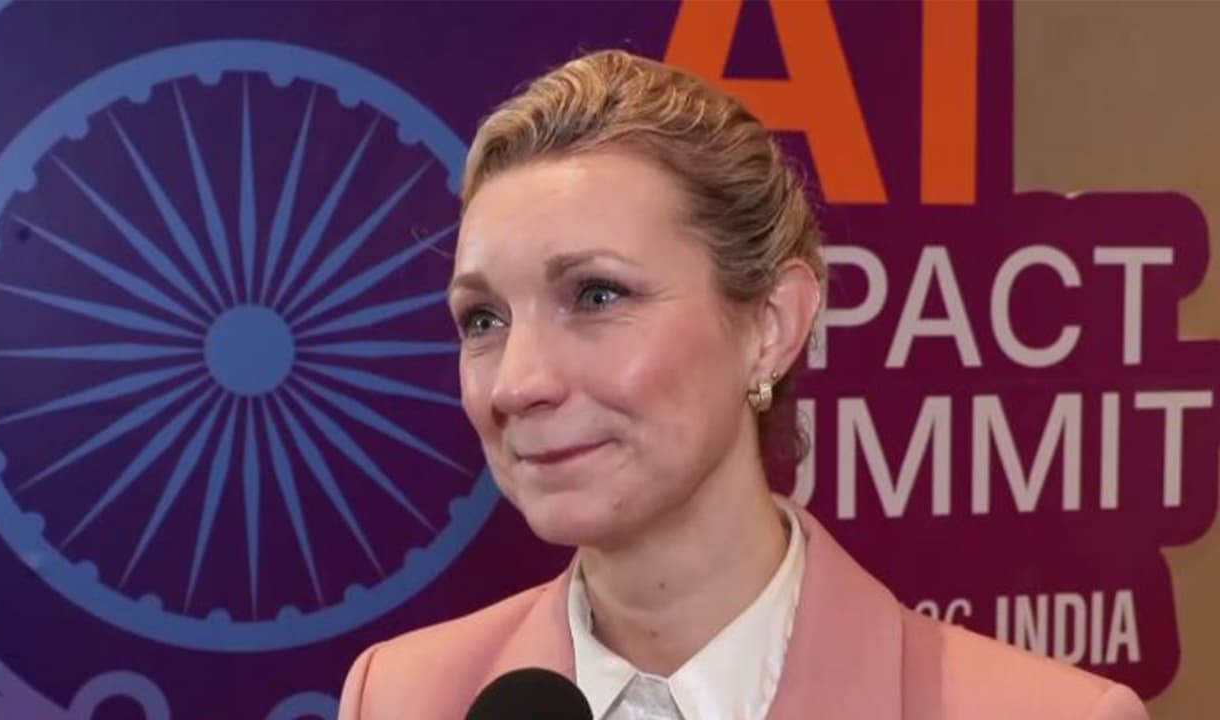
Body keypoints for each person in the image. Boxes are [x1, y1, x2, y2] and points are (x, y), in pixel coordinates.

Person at [337, 49, 1148, 720]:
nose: (517, 383)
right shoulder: (400, 697)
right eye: (483, 318)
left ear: (772, 325)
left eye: (597, 295)